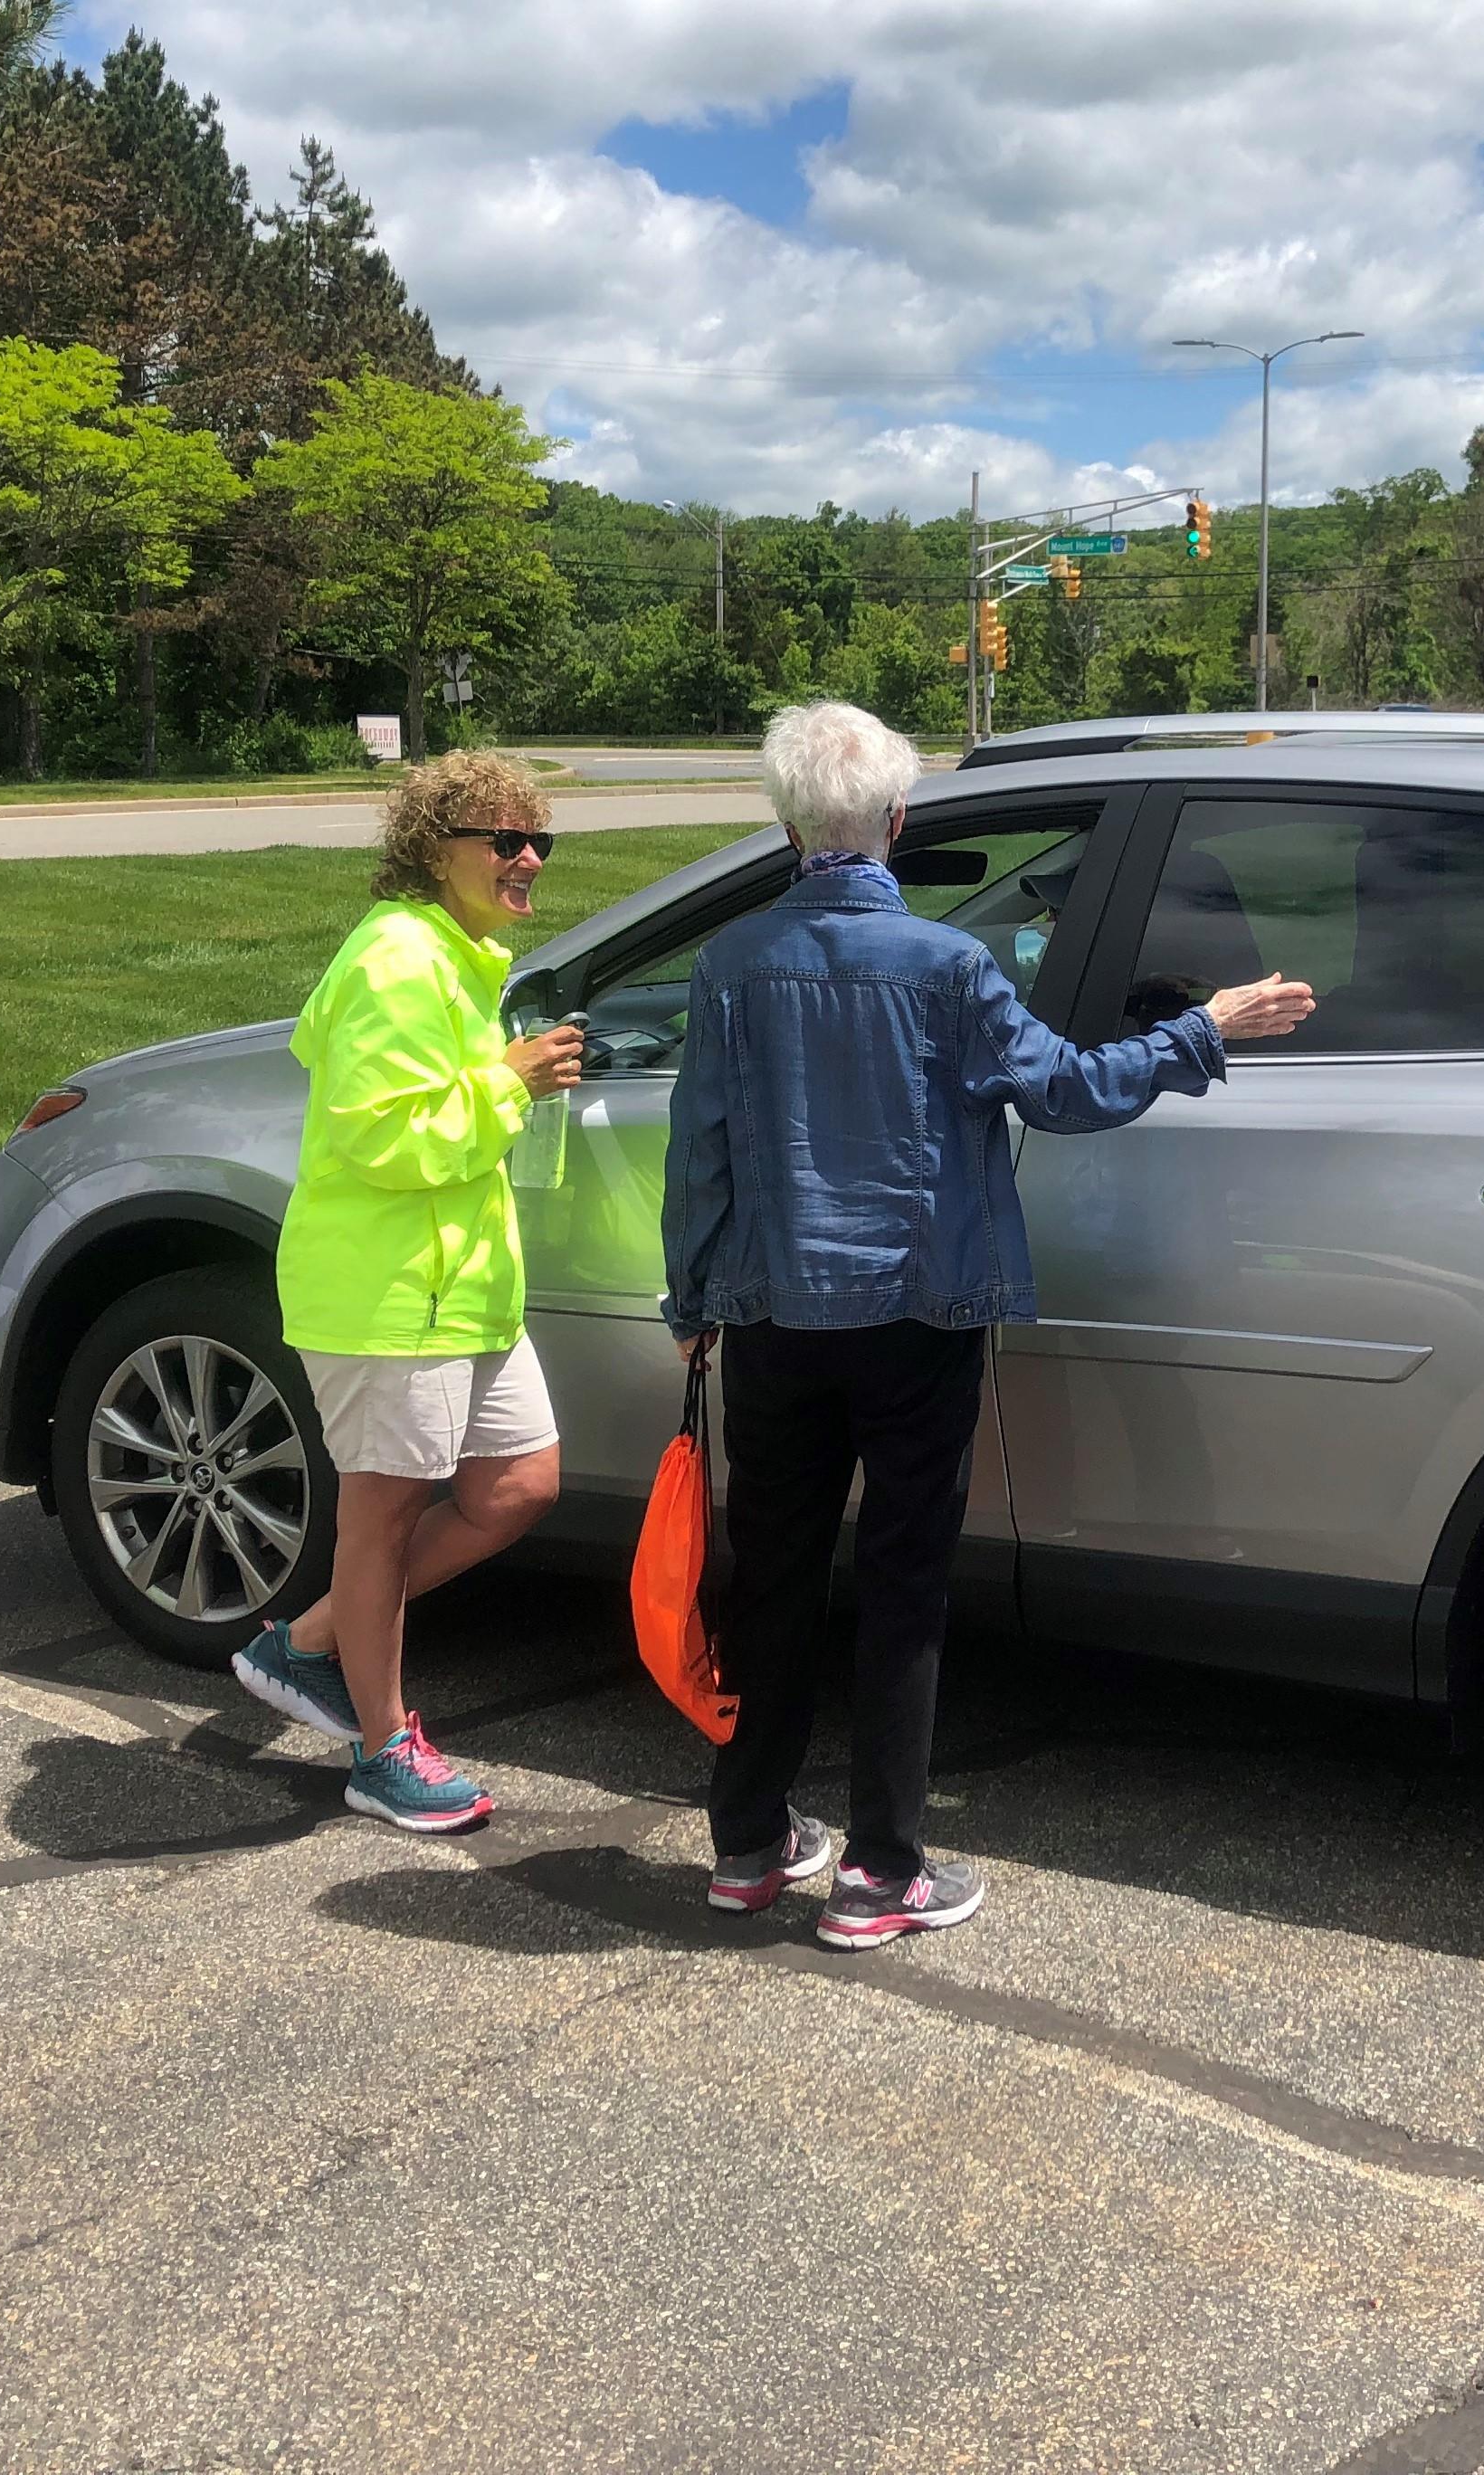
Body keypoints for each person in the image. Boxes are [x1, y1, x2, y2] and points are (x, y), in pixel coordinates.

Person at [663, 702, 1316, 1947]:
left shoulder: (731, 963)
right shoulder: (953, 969)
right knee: (904, 1587)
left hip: (775, 1319)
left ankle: (748, 1847)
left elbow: (703, 1154)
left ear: (787, 824)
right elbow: (1069, 1092)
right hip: (921, 1314)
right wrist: (1204, 1028)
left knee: (776, 1584)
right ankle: (880, 1874)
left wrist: (692, 1300)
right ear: (898, 823)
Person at [232, 753, 585, 1832]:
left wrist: (507, 1081)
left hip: (462, 1291)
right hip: (386, 1293)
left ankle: (303, 1645)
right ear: (436, 847)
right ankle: (382, 1750)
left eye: (539, 841)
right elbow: (381, 1136)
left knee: (519, 1486)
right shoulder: (396, 958)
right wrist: (508, 1081)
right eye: (503, 838)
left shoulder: (463, 957)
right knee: (380, 1519)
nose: (526, 859)